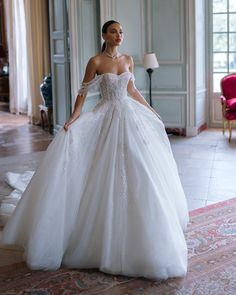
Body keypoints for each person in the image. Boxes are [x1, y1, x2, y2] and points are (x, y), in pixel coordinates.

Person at [1, 20, 189, 280]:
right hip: (106, 116)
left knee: (140, 166)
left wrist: (150, 109)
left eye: (121, 31)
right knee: (104, 168)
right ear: (104, 35)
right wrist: (74, 116)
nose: (119, 35)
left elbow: (132, 89)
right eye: (113, 31)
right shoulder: (96, 61)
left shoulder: (128, 59)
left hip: (130, 116)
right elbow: (83, 92)